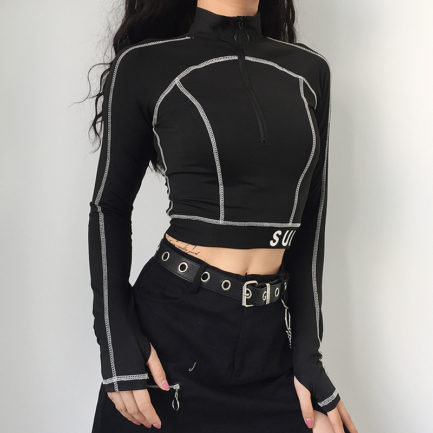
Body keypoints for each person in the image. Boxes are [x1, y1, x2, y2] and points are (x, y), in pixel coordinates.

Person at [87, 1, 357, 432]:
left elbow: (311, 222)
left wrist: (308, 355)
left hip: (269, 345)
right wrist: (114, 339)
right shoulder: (143, 65)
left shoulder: (309, 72)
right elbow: (109, 207)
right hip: (169, 340)